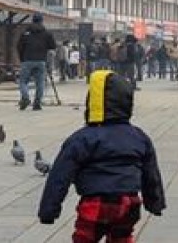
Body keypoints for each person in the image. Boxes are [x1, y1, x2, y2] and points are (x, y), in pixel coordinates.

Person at [38, 69, 165, 241]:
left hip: (95, 203)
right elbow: (151, 174)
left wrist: (49, 210)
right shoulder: (139, 137)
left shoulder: (82, 138)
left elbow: (60, 176)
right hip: (129, 203)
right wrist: (155, 202)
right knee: (122, 237)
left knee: (86, 237)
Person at [17, 13, 57, 111]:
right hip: (41, 61)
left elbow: (19, 47)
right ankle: (37, 104)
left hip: (27, 60)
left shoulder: (25, 33)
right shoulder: (47, 34)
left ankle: (25, 97)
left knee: (23, 81)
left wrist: (22, 58)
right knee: (40, 83)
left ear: (32, 21)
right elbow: (53, 47)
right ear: (42, 21)